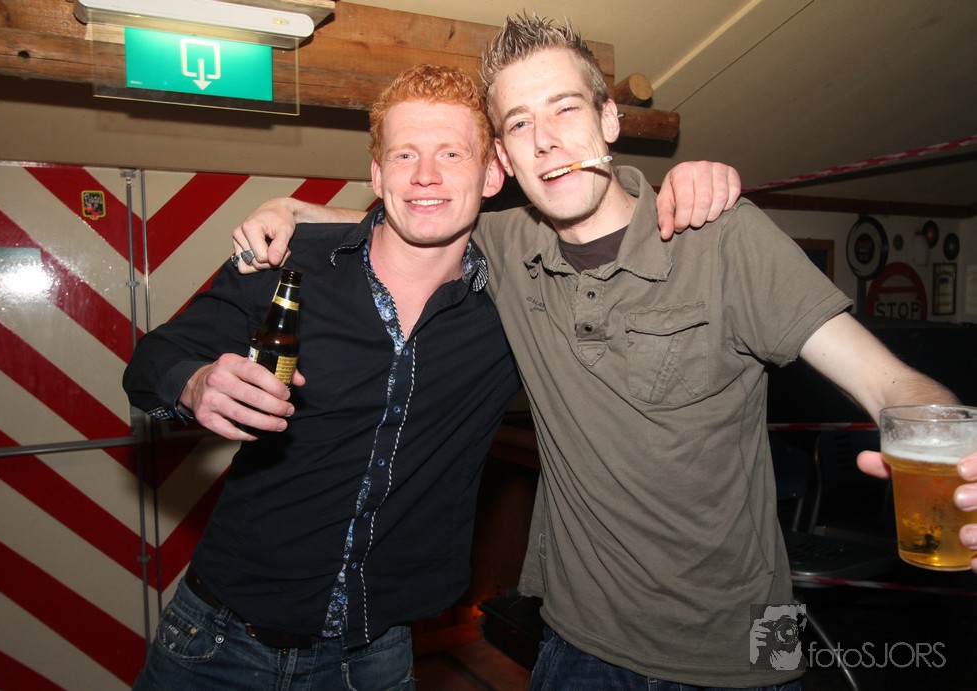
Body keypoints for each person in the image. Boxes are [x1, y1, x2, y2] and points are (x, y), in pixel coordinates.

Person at [230, 13, 966, 690]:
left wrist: (953, 448)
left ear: (610, 120)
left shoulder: (722, 238)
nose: (546, 140)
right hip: (577, 646)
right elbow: (412, 218)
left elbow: (891, 383)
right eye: (520, 123)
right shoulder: (504, 246)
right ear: (504, 158)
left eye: (566, 109)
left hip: (745, 647)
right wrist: (289, 210)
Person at [123, 62, 735, 690]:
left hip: (374, 659)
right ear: (377, 174)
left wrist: (692, 182)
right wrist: (193, 383)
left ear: (493, 174)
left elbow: (609, 232)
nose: (425, 175)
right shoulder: (287, 263)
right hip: (216, 643)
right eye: (405, 154)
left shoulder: (520, 297)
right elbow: (150, 363)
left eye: (451, 153)